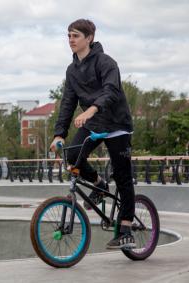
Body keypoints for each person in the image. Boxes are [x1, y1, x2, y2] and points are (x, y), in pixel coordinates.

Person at [50, 19, 135, 249]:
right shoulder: (72, 70)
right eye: (68, 36)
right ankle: (100, 184)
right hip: (94, 123)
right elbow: (67, 103)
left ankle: (126, 228)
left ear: (89, 38)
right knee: (72, 156)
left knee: (123, 175)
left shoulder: (106, 63)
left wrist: (92, 108)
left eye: (75, 36)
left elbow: (111, 91)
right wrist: (59, 134)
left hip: (116, 124)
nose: (71, 40)